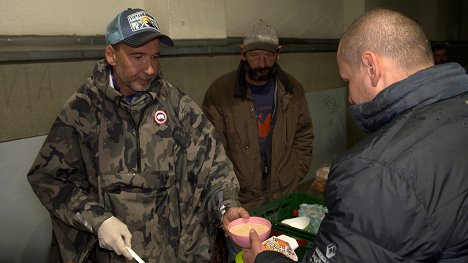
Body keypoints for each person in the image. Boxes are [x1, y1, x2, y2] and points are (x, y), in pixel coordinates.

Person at [243, 8, 468, 263]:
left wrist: (261, 260)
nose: (349, 96)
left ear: (371, 66)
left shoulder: (375, 172)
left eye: (347, 79)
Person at [27, 8, 248, 263]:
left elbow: (213, 167)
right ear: (111, 54)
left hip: (173, 255)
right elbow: (48, 178)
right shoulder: (83, 111)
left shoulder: (177, 106)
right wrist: (99, 220)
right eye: (138, 57)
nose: (150, 69)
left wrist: (226, 205)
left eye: (155, 57)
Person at [202, 19, 314, 262]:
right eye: (255, 55)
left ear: (278, 53)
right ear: (242, 52)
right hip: (242, 208)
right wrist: (229, 192)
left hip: (283, 201)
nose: (262, 63)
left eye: (268, 55)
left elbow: (304, 135)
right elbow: (210, 152)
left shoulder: (292, 90)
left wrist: (295, 172)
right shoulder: (220, 93)